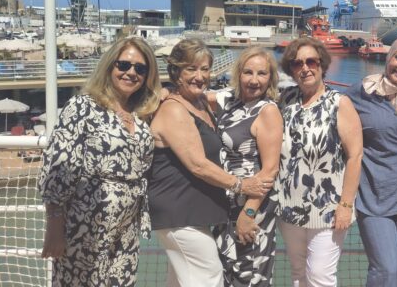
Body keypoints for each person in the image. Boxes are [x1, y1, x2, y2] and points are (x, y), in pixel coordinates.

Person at [39, 36, 161, 286]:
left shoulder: (141, 114)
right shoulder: (83, 107)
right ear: (109, 65)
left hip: (127, 227)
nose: (131, 73)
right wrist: (54, 226)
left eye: (140, 68)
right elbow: (58, 166)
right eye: (123, 65)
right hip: (86, 224)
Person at [148, 38, 270, 287]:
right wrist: (241, 185)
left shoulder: (201, 102)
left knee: (179, 281)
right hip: (177, 213)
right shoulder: (174, 109)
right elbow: (198, 165)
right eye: (191, 68)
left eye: (204, 69)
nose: (199, 76)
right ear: (176, 72)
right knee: (209, 277)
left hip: (190, 213)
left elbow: (243, 94)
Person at [276, 37, 363, 287]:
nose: (305, 68)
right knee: (298, 273)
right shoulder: (286, 100)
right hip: (289, 207)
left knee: (320, 276)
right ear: (291, 69)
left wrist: (345, 205)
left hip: (328, 210)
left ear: (322, 64)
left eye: (311, 62)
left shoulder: (339, 103)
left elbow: (355, 155)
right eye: (297, 63)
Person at [346, 37, 397, 287]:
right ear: (388, 57)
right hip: (373, 197)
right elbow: (330, 111)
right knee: (385, 269)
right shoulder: (361, 92)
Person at [212, 47, 283, 287]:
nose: (254, 80)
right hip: (226, 205)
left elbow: (270, 170)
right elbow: (197, 96)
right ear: (238, 74)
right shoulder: (231, 103)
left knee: (249, 275)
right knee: (227, 275)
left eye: (262, 74)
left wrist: (248, 213)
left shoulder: (268, 111)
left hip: (252, 206)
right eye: (248, 72)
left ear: (270, 78)